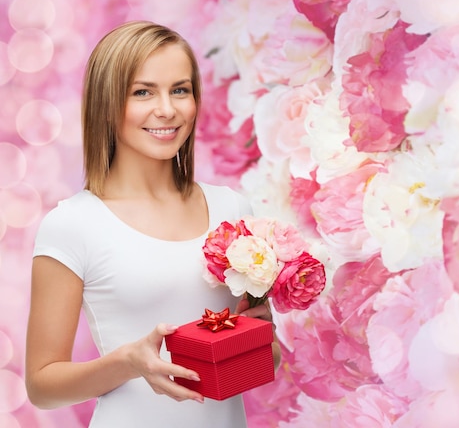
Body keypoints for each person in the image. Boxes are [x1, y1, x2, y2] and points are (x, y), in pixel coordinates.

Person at [25, 21, 279, 427]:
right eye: (143, 92)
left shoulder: (231, 209)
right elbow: (42, 386)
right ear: (107, 104)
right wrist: (128, 362)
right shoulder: (72, 225)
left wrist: (261, 339)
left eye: (180, 89)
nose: (167, 109)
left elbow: (268, 358)